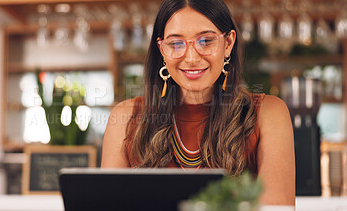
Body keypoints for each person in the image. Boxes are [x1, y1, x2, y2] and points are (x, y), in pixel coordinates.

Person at [101, 0, 295, 206]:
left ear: (228, 43)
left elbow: (277, 207)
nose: (191, 58)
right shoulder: (126, 118)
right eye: (176, 44)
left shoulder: (268, 113)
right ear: (162, 50)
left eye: (206, 41)